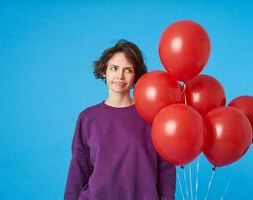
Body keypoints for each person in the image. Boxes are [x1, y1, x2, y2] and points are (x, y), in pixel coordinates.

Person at [64, 39, 176, 200]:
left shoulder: (151, 117)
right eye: (114, 68)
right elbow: (78, 170)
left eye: (128, 70)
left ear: (135, 75)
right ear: (104, 71)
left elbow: (166, 171)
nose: (120, 76)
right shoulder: (88, 118)